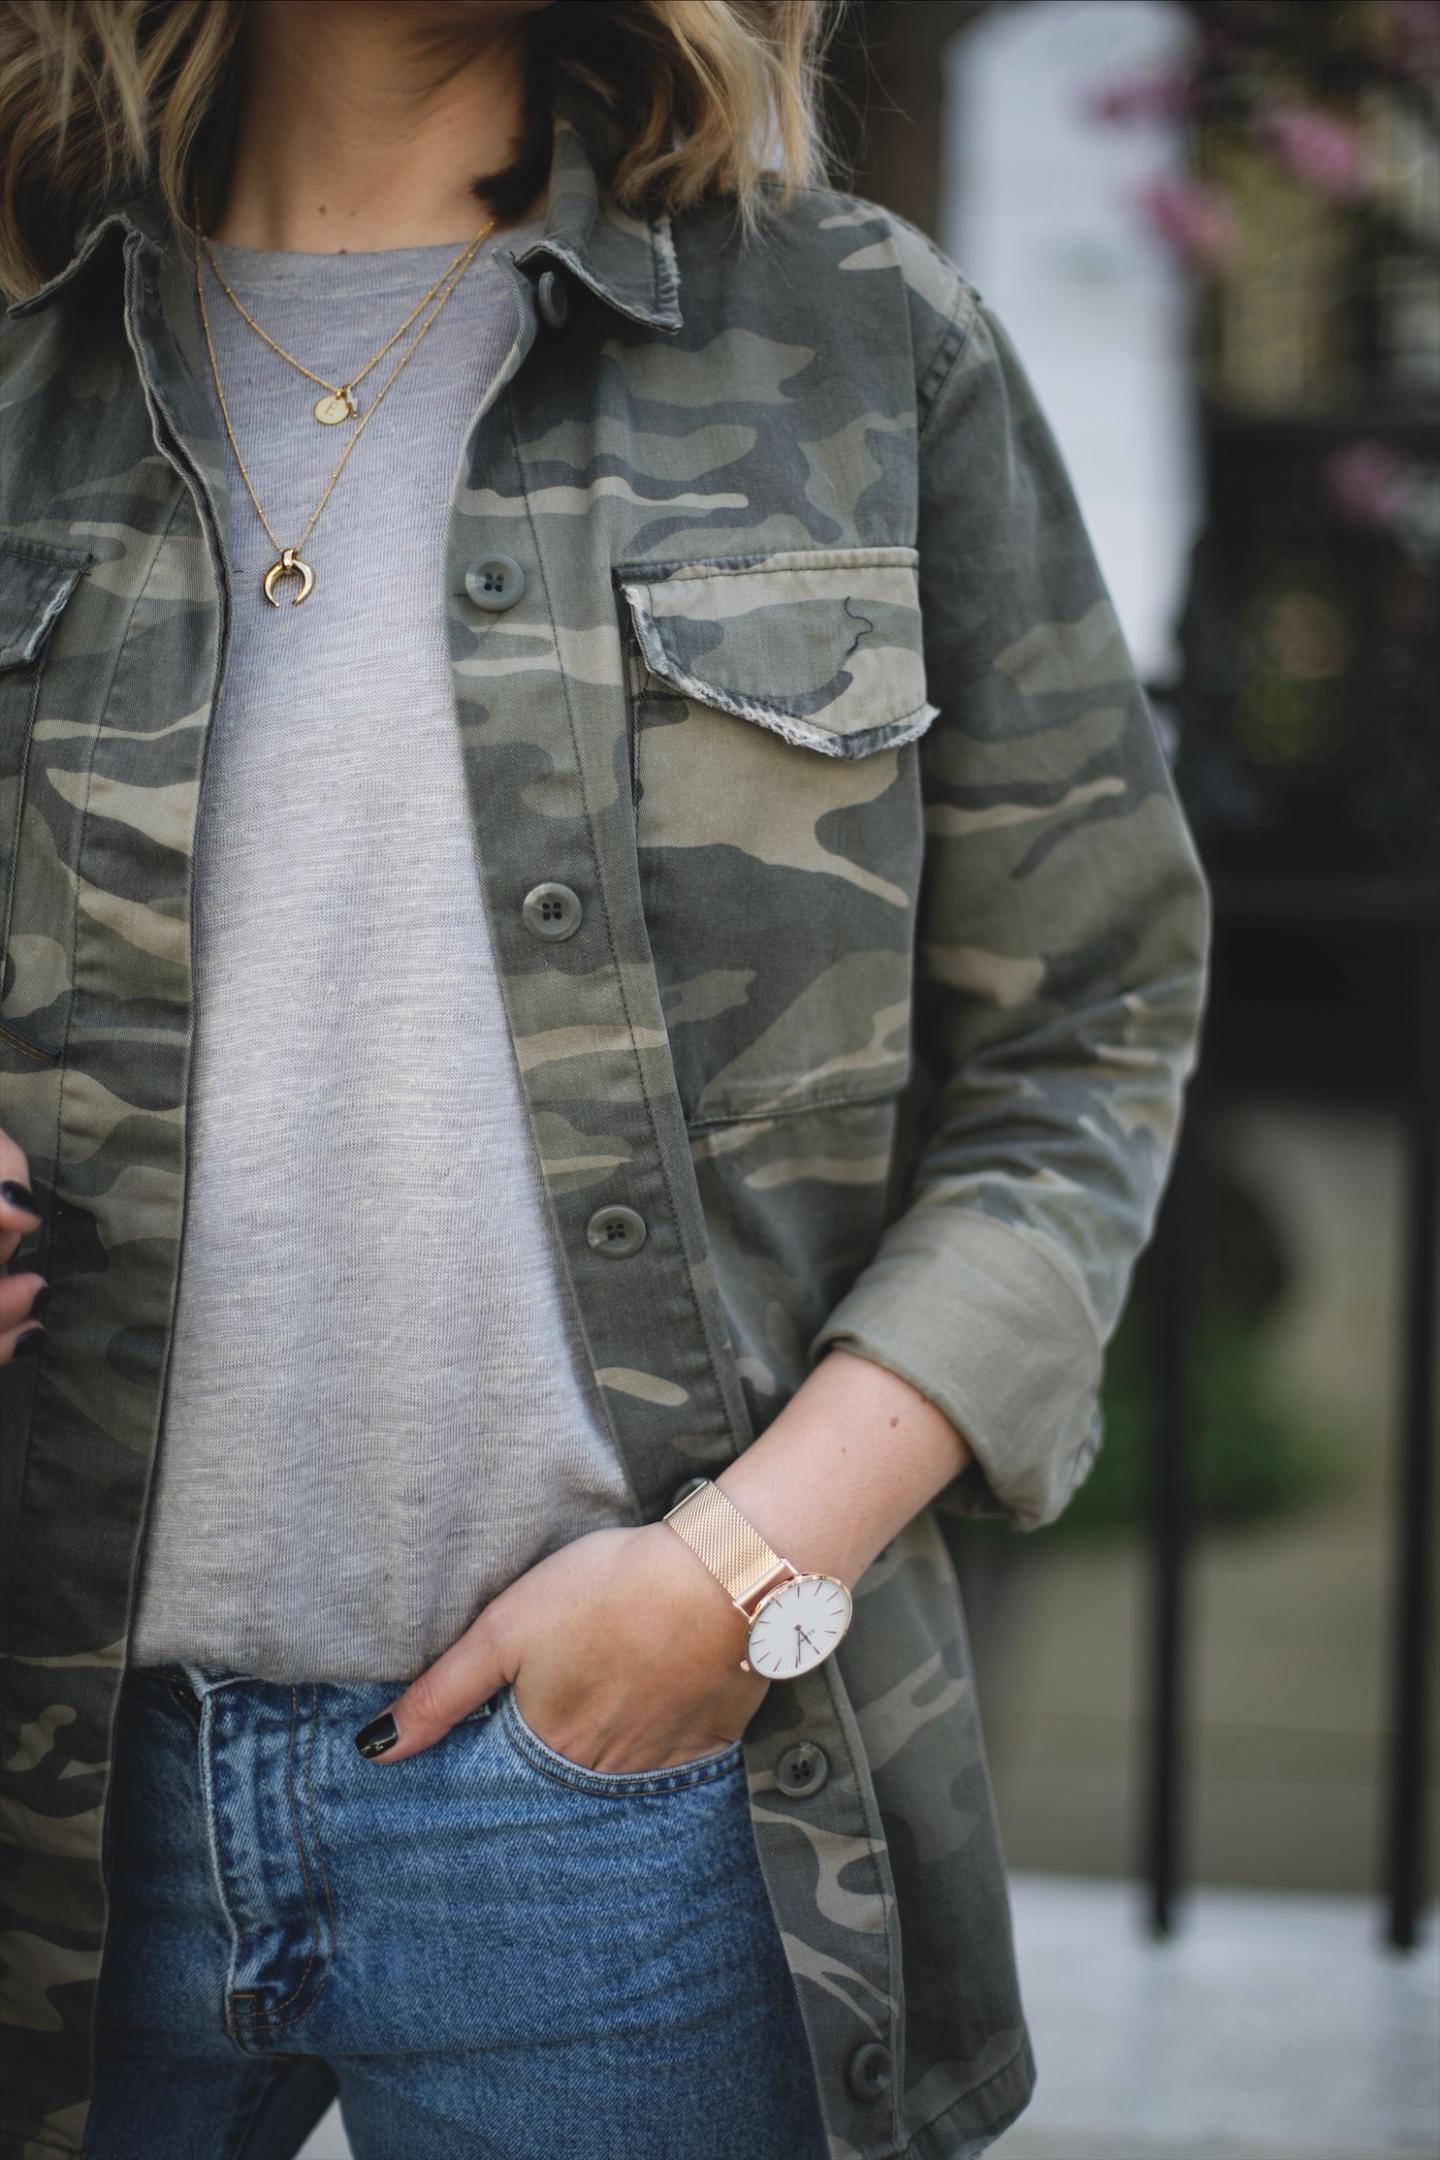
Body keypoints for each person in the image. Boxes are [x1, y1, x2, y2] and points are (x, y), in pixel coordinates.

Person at [0, 1, 1212, 2156]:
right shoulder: (19, 345)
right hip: (44, 1794)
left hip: (620, 1800)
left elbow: (1086, 1028)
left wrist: (737, 1581)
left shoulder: (859, 340)